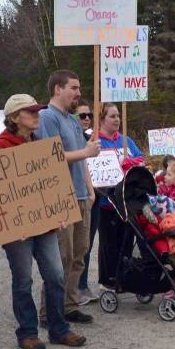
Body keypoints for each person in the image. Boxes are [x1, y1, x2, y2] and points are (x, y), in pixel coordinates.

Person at [0, 95, 86, 349]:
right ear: (14, 118)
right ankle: (27, 333)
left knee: (55, 275)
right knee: (23, 280)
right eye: (29, 111)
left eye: (36, 110)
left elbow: (50, 185)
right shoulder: (0, 149)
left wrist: (59, 212)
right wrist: (12, 223)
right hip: (17, 231)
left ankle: (58, 329)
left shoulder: (40, 145)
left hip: (44, 226)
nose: (36, 115)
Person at [35, 70, 99, 324]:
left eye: (79, 87)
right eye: (73, 87)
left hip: (81, 195)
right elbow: (50, 156)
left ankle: (69, 305)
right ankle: (48, 312)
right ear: (58, 89)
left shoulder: (72, 120)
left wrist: (90, 188)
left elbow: (80, 158)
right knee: (61, 257)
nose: (78, 92)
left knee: (78, 255)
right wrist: (86, 152)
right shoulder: (47, 118)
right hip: (61, 197)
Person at [95, 102, 143, 288]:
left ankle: (125, 276)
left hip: (127, 201)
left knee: (126, 241)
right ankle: (107, 280)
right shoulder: (96, 141)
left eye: (118, 116)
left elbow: (140, 157)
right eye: (112, 116)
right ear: (101, 119)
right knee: (109, 243)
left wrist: (132, 162)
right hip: (107, 203)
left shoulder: (125, 140)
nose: (117, 120)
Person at [75, 103, 100, 305]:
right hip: (77, 196)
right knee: (73, 248)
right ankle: (73, 288)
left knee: (87, 245)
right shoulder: (75, 141)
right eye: (81, 115)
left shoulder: (90, 139)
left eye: (89, 115)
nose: (86, 118)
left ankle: (82, 285)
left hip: (94, 196)